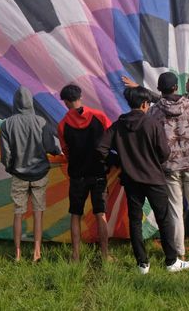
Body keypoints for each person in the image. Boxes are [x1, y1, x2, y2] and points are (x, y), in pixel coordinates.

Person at [97, 86, 189, 274]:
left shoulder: (119, 125)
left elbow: (100, 148)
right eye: (148, 104)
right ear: (144, 104)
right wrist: (153, 160)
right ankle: (171, 261)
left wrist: (119, 161)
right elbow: (164, 153)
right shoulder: (152, 124)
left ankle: (142, 263)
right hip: (154, 178)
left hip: (131, 180)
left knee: (135, 221)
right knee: (164, 219)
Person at [149, 72, 189, 261]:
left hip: (170, 164)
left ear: (159, 89)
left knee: (175, 209)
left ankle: (180, 253)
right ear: (176, 87)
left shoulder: (154, 111)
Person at [0, 86, 61, 263]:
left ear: (15, 102)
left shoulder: (7, 124)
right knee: (38, 213)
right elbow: (50, 147)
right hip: (40, 174)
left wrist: (10, 167)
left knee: (18, 213)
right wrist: (57, 151)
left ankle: (17, 253)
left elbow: (6, 155)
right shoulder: (41, 122)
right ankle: (36, 252)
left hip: (18, 174)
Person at [57, 84, 111, 262]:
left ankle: (76, 255)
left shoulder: (63, 125)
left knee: (75, 214)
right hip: (98, 173)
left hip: (77, 175)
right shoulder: (100, 117)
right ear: (81, 96)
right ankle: (105, 254)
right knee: (100, 214)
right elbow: (110, 141)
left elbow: (66, 151)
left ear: (65, 102)